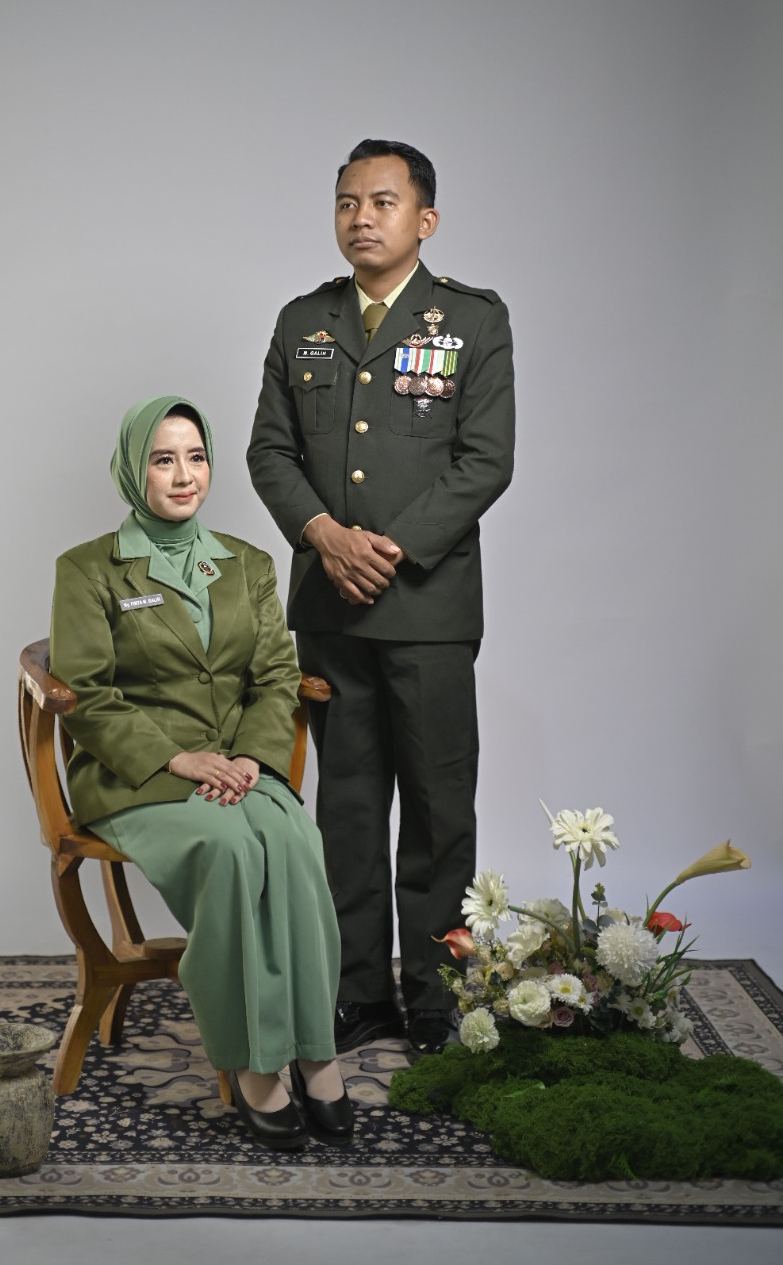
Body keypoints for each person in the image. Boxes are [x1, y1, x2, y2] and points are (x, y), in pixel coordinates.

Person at [247, 139, 515, 1057]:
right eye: (347, 202)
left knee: (438, 810)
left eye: (383, 202)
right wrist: (325, 536)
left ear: (424, 219)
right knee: (349, 809)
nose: (362, 217)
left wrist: (388, 551)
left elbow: (486, 460)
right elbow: (270, 451)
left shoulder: (472, 321)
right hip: (332, 607)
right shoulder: (303, 321)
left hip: (428, 610)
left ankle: (438, 999)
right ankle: (358, 994)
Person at [49, 394, 351, 1150]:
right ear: (133, 470)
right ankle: (252, 1060)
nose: (184, 476)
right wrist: (177, 759)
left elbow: (276, 676)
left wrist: (250, 755)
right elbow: (86, 694)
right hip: (137, 774)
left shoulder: (247, 564)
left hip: (239, 764)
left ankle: (314, 1047)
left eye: (196, 457)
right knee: (231, 849)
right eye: (163, 459)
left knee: (297, 843)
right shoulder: (87, 569)